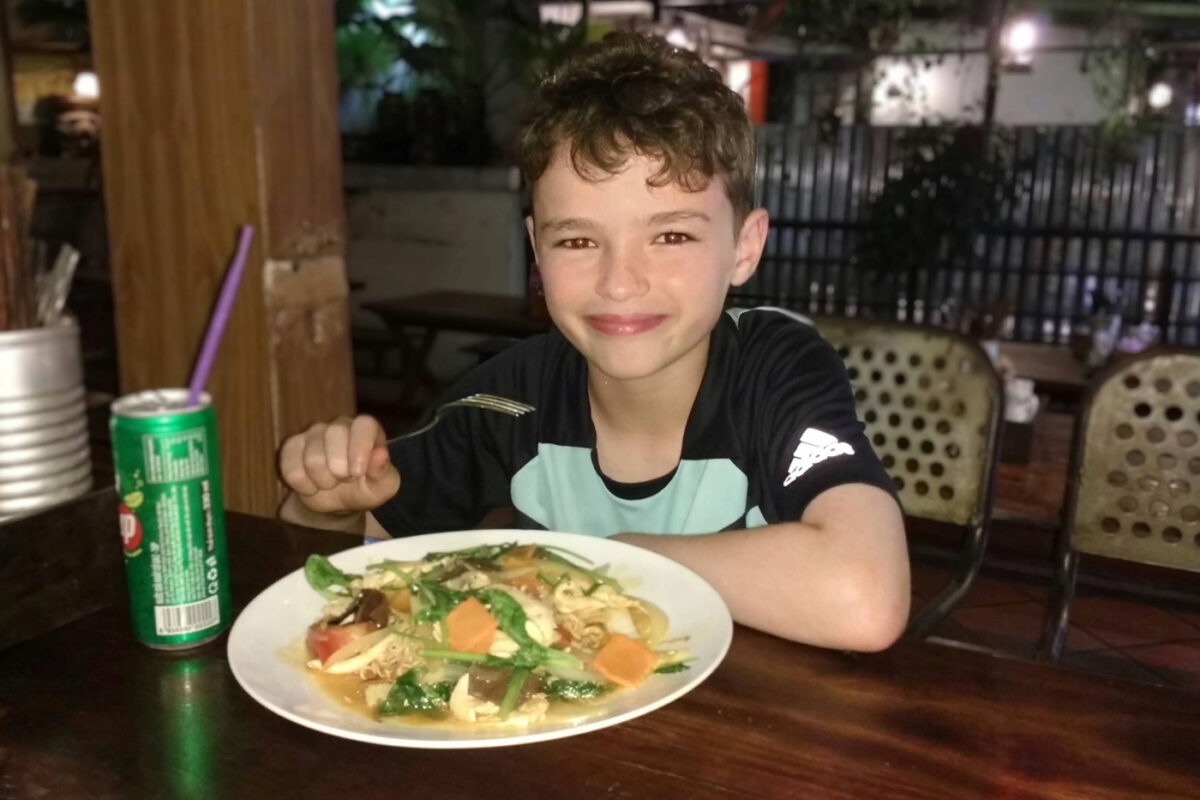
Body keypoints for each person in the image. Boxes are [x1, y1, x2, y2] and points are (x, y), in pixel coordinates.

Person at [280, 32, 909, 650]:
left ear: (744, 247)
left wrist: (614, 561)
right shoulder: (506, 400)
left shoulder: (776, 370)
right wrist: (327, 508)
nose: (620, 283)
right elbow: (335, 564)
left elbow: (865, 599)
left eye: (671, 237)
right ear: (537, 248)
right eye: (577, 241)